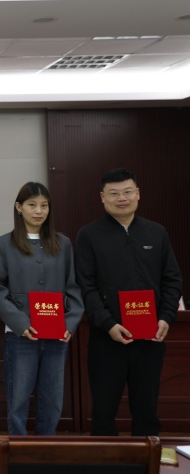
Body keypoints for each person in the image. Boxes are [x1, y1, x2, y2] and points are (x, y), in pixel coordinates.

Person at [75, 168, 182, 436]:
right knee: (103, 411)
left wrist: (166, 317)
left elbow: (172, 280)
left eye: (127, 192)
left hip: (150, 337)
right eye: (114, 193)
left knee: (147, 410)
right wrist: (108, 324)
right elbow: (86, 286)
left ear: (138, 194)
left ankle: (147, 457)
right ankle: (105, 457)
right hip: (107, 337)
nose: (121, 198)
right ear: (103, 197)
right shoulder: (88, 235)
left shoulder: (156, 233)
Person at [0, 182, 84, 435]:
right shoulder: (3, 244)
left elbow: (73, 288)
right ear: (19, 207)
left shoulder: (63, 243)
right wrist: (21, 324)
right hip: (20, 336)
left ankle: (45, 449)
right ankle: (17, 451)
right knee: (18, 401)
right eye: (32, 205)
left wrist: (69, 324)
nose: (39, 211)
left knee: (52, 401)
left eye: (44, 205)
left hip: (56, 336)